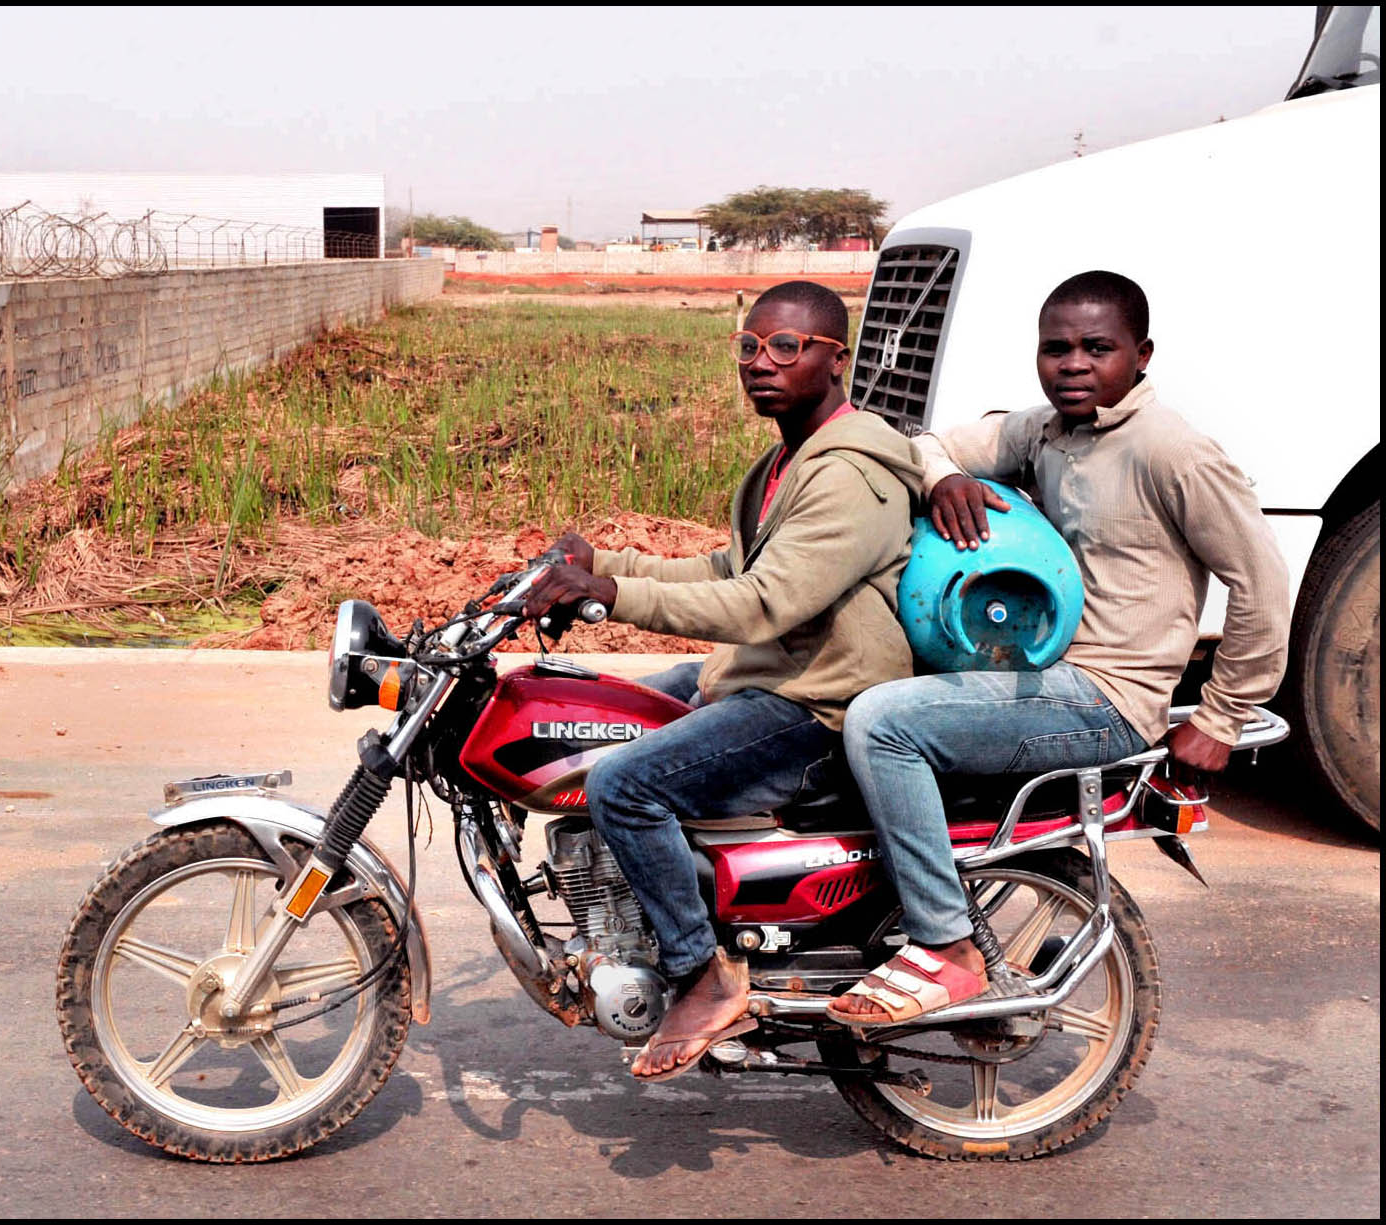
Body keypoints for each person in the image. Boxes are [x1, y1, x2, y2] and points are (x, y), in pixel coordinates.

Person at [827, 270, 1290, 1027]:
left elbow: (1263, 583)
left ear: (1140, 355)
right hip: (1039, 672)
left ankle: (943, 945)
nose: (1073, 364)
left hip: (1105, 696)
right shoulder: (1041, 429)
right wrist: (945, 478)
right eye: (1056, 348)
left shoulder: (1173, 451)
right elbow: (930, 443)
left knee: (885, 722)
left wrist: (1223, 714)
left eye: (1096, 348)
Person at [526, 280, 923, 1079]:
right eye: (749, 346)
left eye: (786, 346)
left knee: (626, 783)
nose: (760, 363)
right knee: (598, 708)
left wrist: (613, 595)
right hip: (772, 674)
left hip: (816, 702)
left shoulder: (848, 475)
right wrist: (601, 562)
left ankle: (700, 973)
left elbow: (762, 601)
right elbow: (729, 565)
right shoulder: (787, 459)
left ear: (834, 359)